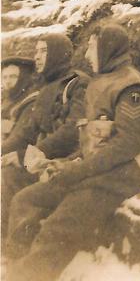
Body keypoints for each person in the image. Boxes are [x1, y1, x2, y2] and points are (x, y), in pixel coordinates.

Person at [6, 24, 140, 281]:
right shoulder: (102, 82)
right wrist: (66, 163)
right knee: (26, 199)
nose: (88, 56)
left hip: (124, 173)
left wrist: (77, 170)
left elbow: (128, 144)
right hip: (98, 168)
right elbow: (93, 141)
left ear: (107, 48)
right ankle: (13, 268)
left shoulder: (132, 87)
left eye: (91, 47)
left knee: (60, 226)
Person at [1, 34, 89, 243]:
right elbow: (27, 132)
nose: (38, 57)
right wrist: (7, 152)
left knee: (20, 190)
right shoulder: (45, 89)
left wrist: (27, 155)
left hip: (69, 159)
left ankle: (19, 248)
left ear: (58, 54)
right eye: (36, 51)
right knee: (7, 174)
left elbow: (72, 131)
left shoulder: (77, 83)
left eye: (44, 51)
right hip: (43, 158)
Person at [2, 56, 38, 143]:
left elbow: (21, 137)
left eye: (13, 76)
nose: (8, 81)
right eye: (4, 77)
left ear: (23, 78)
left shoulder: (31, 100)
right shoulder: (6, 99)